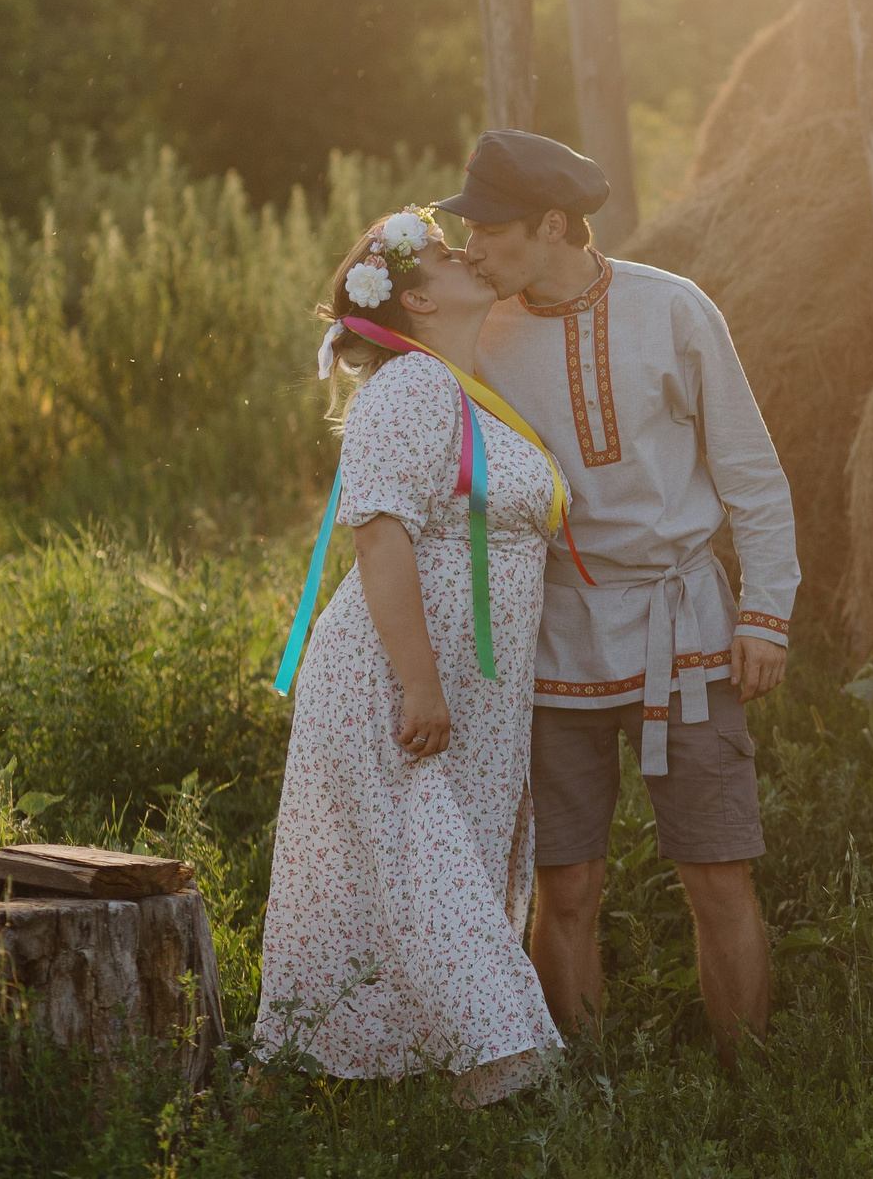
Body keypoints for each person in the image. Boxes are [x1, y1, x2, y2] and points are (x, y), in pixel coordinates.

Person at [446, 130, 799, 1058]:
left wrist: (765, 615)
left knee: (717, 874)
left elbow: (752, 474)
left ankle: (752, 1084)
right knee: (565, 886)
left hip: (684, 629)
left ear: (551, 224)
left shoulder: (673, 309)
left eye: (489, 229)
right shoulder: (478, 331)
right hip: (552, 635)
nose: (472, 248)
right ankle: (580, 1093)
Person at [256, 210, 567, 1106]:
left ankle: (393, 1088)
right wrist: (421, 684)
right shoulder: (414, 386)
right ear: (419, 300)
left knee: (431, 875)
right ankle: (508, 1077)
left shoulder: (469, 388)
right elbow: (380, 536)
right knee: (431, 874)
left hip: (473, 683)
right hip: (392, 674)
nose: (463, 250)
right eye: (439, 252)